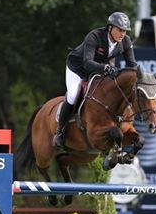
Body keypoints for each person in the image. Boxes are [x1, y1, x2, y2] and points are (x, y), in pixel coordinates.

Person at [54, 12, 138, 147]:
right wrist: (106, 68)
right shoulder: (94, 36)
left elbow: (132, 66)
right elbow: (87, 63)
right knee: (73, 94)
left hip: (101, 70)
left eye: (124, 31)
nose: (122, 34)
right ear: (110, 27)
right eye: (119, 30)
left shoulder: (126, 41)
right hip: (78, 68)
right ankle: (60, 131)